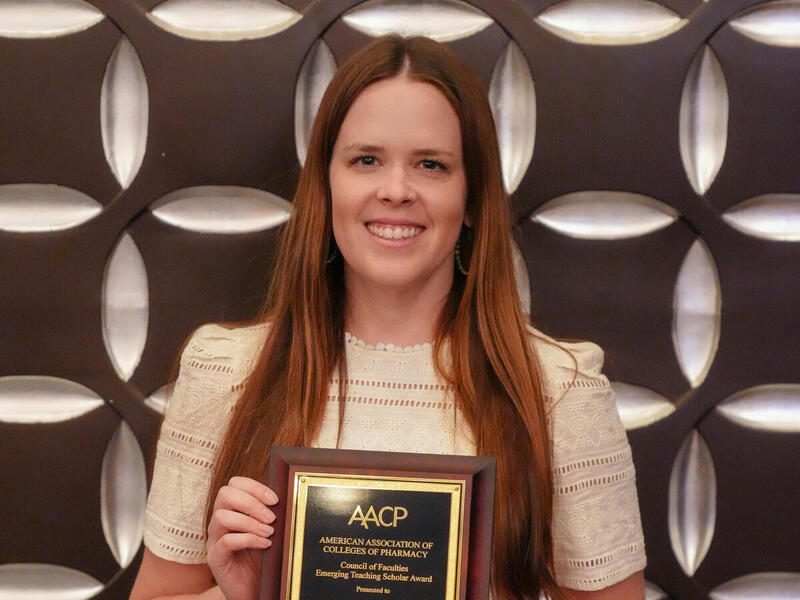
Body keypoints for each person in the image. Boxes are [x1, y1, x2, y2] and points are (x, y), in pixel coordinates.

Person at [130, 35, 646, 600]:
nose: (395, 190)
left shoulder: (560, 391)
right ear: (327, 185)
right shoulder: (225, 375)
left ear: (473, 197)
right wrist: (241, 595)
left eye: (430, 164)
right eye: (366, 160)